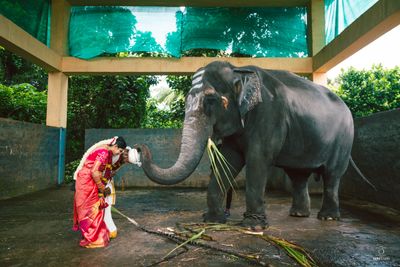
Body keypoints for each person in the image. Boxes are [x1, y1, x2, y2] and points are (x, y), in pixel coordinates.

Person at [72, 136, 128, 248]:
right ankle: (92, 237)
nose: (119, 153)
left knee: (91, 208)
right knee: (89, 208)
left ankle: (91, 235)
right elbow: (94, 171)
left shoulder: (106, 151)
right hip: (86, 181)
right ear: (116, 146)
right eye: (120, 151)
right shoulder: (104, 152)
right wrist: (102, 188)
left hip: (87, 180)